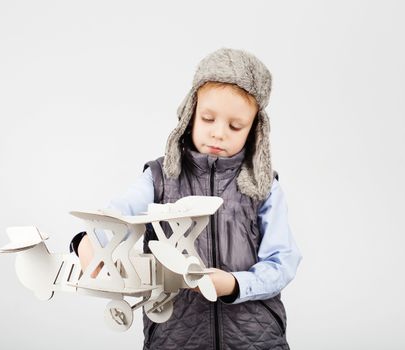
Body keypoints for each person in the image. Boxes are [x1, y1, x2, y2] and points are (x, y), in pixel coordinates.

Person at [69, 48, 302, 350]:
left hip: (256, 338)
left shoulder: (264, 187)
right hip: (174, 337)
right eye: (208, 119)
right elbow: (119, 213)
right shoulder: (159, 177)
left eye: (235, 126)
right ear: (190, 113)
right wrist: (87, 242)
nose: (219, 133)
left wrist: (234, 285)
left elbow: (282, 261)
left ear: (255, 129)